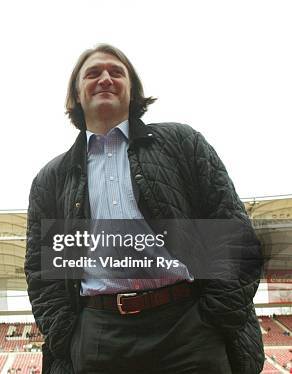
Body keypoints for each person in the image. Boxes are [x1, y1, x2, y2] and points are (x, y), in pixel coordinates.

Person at [24, 44, 263, 373]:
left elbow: (233, 235)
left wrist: (213, 318)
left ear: (132, 89)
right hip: (98, 336)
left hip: (189, 329)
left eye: (116, 72)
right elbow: (42, 274)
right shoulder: (52, 178)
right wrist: (70, 337)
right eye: (92, 73)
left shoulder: (181, 143)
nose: (105, 78)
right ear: (76, 94)